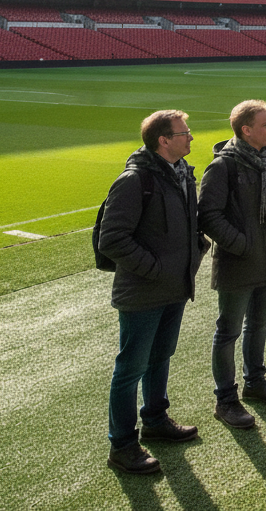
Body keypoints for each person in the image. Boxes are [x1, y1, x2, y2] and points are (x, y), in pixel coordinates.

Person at [99, 110, 206, 474]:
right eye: (184, 133)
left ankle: (156, 421)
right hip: (144, 293)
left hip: (175, 288)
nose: (191, 138)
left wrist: (193, 257)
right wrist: (155, 270)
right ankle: (123, 445)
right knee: (130, 368)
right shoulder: (135, 180)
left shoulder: (183, 175)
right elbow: (112, 239)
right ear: (164, 139)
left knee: (161, 357)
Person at [199, 100, 266, 429]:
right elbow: (207, 216)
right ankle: (225, 400)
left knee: (258, 325)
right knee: (228, 331)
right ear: (246, 130)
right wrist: (241, 245)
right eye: (265, 124)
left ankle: (255, 383)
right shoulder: (223, 167)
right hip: (238, 264)